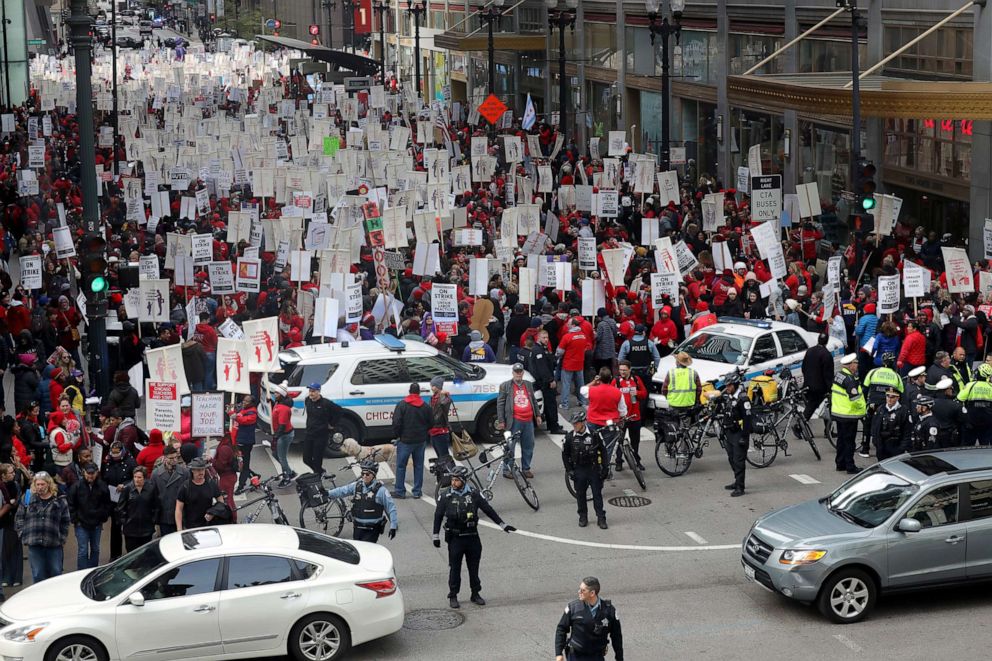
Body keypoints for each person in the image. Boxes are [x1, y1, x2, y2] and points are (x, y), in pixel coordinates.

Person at [432, 465, 516, 609]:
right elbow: (438, 515)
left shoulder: (474, 494)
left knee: (474, 568)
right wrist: (435, 536)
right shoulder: (445, 496)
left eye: (456, 480)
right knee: (455, 568)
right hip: (455, 538)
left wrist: (502, 524)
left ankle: (475, 593)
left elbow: (488, 510)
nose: (453, 483)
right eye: (452, 480)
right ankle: (453, 595)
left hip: (472, 537)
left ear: (464, 481)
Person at [15, 471, 70, 583]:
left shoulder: (59, 499)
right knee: (38, 574)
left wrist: (62, 538)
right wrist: (22, 534)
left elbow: (65, 521)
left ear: (49, 484)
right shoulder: (27, 498)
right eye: (37, 484)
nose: (40, 487)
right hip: (34, 544)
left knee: (56, 573)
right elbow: (19, 517)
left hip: (53, 543)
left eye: (42, 484)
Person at [326, 459, 398, 543]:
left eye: (367, 474)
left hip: (372, 530)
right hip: (357, 527)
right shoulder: (357, 485)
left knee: (367, 551)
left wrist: (393, 526)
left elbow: (391, 508)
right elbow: (342, 490)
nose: (364, 476)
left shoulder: (381, 491)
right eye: (362, 474)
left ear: (373, 475)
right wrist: (327, 493)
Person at [554, 576, 624, 661]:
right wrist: (558, 653)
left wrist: (619, 658)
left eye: (583, 590)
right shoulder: (573, 608)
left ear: (592, 593)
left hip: (597, 657)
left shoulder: (609, 611)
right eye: (579, 589)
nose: (579, 592)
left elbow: (616, 636)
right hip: (576, 656)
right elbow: (561, 629)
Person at [561, 411, 607, 529]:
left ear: (583, 423)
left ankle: (601, 517)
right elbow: (565, 455)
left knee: (597, 494)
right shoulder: (570, 437)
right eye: (573, 424)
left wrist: (605, 468)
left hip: (593, 469)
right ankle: (583, 516)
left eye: (576, 423)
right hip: (579, 470)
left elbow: (603, 451)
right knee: (580, 495)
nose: (574, 426)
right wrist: (569, 470)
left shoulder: (594, 434)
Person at [496, 364, 542, 478]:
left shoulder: (528, 385)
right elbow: (500, 404)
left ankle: (526, 468)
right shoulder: (505, 386)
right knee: (510, 446)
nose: (518, 373)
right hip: (514, 420)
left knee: (528, 445)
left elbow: (533, 401)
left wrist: (538, 415)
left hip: (528, 421)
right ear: (513, 373)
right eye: (516, 371)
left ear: (522, 373)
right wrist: (501, 420)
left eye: (520, 371)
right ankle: (507, 470)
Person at [67, 462, 111, 570]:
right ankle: (81, 572)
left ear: (97, 473)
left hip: (97, 524)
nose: (90, 476)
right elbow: (71, 504)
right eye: (88, 473)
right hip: (81, 524)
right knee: (83, 550)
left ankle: (92, 571)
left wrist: (103, 517)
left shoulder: (103, 486)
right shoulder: (76, 487)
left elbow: (107, 504)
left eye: (92, 473)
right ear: (84, 473)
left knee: (95, 549)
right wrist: (76, 520)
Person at [392, 383, 432, 499]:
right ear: (419, 392)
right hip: (420, 440)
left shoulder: (402, 405)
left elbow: (396, 423)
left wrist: (398, 435)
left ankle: (400, 491)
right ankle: (417, 491)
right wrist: (424, 432)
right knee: (418, 466)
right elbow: (431, 423)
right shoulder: (425, 406)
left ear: (409, 391)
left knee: (401, 466)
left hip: (405, 440)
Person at [860, 352, 903, 458]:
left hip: (872, 404)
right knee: (886, 427)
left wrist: (865, 403)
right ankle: (883, 448)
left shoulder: (873, 372)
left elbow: (864, 389)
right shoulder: (896, 376)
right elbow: (901, 393)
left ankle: (865, 449)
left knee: (867, 425)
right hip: (886, 405)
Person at [831, 354, 866, 474]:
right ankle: (850, 466)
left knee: (841, 439)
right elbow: (855, 399)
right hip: (849, 415)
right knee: (850, 442)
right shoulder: (850, 380)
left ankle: (840, 463)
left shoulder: (839, 375)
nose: (857, 365)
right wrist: (863, 408)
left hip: (839, 413)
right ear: (850, 365)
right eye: (855, 363)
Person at [720, 372, 751, 497]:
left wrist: (744, 437)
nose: (727, 388)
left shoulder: (743, 398)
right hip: (730, 432)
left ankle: (740, 487)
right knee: (731, 458)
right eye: (726, 386)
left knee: (738, 461)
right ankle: (736, 481)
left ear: (736, 385)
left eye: (729, 386)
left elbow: (748, 419)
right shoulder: (729, 396)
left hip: (739, 433)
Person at [302, 383, 343, 475]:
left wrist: (332, 424)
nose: (311, 393)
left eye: (313, 391)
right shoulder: (307, 400)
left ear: (318, 391)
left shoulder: (326, 403)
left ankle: (318, 475)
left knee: (317, 459)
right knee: (306, 459)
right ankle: (320, 471)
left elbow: (339, 411)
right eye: (310, 391)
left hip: (321, 435)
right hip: (309, 433)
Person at [613, 361, 647, 472]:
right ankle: (619, 462)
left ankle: (636, 461)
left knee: (635, 441)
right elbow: (610, 395)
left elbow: (644, 393)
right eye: (620, 370)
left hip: (635, 416)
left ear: (629, 369)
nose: (622, 372)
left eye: (624, 370)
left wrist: (637, 393)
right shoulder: (616, 381)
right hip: (621, 418)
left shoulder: (636, 380)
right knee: (619, 441)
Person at [527, 329, 563, 433]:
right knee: (551, 404)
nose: (546, 340)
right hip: (544, 382)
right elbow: (542, 368)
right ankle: (554, 427)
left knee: (548, 404)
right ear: (538, 338)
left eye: (547, 337)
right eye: (544, 337)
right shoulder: (538, 350)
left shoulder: (542, 348)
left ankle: (551, 424)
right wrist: (550, 380)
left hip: (543, 381)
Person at [175, 457, 226, 530]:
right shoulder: (185, 487)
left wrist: (213, 512)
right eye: (198, 470)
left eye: (203, 469)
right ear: (192, 470)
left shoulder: (211, 483)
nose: (201, 472)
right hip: (190, 527)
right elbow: (178, 509)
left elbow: (221, 502)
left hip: (208, 525)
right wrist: (179, 529)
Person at [151, 445, 189, 537]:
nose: (174, 460)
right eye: (171, 458)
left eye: (176, 457)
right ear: (164, 458)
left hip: (181, 515)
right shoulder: (156, 474)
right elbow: (153, 495)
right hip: (165, 515)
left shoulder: (184, 472)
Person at [118, 466, 160, 552]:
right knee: (131, 553)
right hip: (130, 529)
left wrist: (153, 520)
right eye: (135, 477)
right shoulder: (127, 489)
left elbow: (156, 506)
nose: (137, 479)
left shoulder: (151, 489)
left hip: (146, 528)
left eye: (139, 477)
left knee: (145, 553)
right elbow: (121, 507)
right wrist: (124, 522)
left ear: (144, 478)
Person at [870, 389, 912, 460]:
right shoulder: (881, 409)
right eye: (888, 396)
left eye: (892, 397)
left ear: (898, 398)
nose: (889, 399)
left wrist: (901, 448)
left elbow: (907, 431)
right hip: (881, 445)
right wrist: (876, 442)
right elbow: (874, 426)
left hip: (896, 445)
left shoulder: (903, 411)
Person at [557, 318, 589, 409]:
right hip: (579, 363)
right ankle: (582, 401)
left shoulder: (567, 336)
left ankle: (565, 404)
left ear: (573, 325)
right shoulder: (583, 335)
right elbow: (585, 347)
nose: (567, 325)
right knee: (580, 384)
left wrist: (557, 357)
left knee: (566, 385)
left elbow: (560, 351)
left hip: (568, 364)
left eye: (569, 324)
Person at [801, 333, 834, 420]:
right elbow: (828, 374)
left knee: (819, 406)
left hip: (809, 384)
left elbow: (803, 368)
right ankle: (800, 425)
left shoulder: (810, 351)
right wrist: (830, 388)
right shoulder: (827, 355)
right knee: (817, 406)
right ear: (827, 341)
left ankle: (828, 430)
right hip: (820, 388)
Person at [958, 363, 992, 446]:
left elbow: (959, 398)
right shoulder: (991, 387)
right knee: (985, 445)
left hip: (971, 421)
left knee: (968, 446)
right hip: (987, 422)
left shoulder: (970, 385)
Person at [231, 395, 258, 495]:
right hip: (239, 441)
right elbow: (239, 416)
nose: (244, 402)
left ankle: (241, 485)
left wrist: (236, 416)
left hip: (246, 442)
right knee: (240, 463)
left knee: (244, 464)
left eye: (246, 401)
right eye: (244, 401)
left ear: (251, 403)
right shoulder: (244, 410)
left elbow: (244, 420)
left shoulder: (252, 413)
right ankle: (253, 475)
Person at [270, 387, 297, 487]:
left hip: (284, 435)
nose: (274, 394)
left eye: (276, 393)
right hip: (281, 434)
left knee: (281, 457)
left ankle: (287, 477)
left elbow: (282, 425)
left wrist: (276, 437)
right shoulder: (279, 404)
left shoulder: (284, 409)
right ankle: (289, 472)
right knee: (275, 454)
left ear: (281, 395)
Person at [932, 377, 965, 448]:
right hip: (950, 436)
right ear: (946, 391)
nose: (952, 390)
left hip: (935, 435)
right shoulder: (955, 405)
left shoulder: (931, 403)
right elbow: (962, 420)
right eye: (950, 388)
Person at [428, 376, 453, 458]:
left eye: (433, 386)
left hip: (441, 431)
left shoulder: (445, 398)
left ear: (438, 386)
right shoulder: (432, 398)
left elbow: (443, 404)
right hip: (433, 431)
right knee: (440, 456)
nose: (431, 388)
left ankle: (449, 470)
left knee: (444, 456)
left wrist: (443, 394)